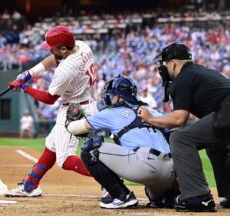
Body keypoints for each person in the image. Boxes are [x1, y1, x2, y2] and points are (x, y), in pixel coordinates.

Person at [5, 25, 98, 197]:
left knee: (64, 159)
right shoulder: (81, 46)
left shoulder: (66, 69)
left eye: (53, 48)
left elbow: (49, 98)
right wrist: (30, 73)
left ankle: (109, 181)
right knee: (51, 145)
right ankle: (30, 185)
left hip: (75, 111)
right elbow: (55, 59)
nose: (50, 51)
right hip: (84, 103)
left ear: (63, 48)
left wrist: (24, 87)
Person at [138, 43, 230, 212]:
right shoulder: (200, 72)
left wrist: (150, 119)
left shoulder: (182, 79)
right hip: (225, 114)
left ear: (173, 63)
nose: (164, 69)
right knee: (214, 145)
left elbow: (179, 119)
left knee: (180, 138)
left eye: (165, 64)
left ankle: (198, 197)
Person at [66, 75, 177, 209]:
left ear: (118, 97)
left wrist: (69, 121)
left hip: (145, 166)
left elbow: (74, 129)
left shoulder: (112, 112)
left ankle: (121, 196)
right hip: (170, 171)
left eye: (111, 95)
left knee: (90, 149)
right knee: (157, 198)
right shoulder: (152, 111)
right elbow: (174, 132)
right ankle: (172, 196)